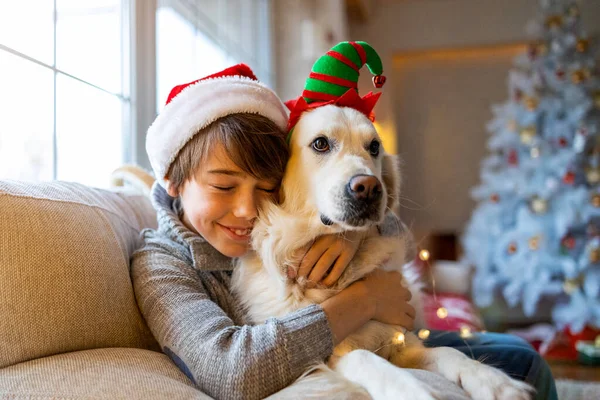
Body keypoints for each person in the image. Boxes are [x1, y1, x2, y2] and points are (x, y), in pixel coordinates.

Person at [131, 63, 416, 400]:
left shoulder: (277, 220)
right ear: (172, 181)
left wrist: (349, 231)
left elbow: (400, 237)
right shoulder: (160, 263)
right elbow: (232, 372)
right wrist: (366, 300)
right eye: (223, 186)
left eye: (266, 187)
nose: (248, 210)